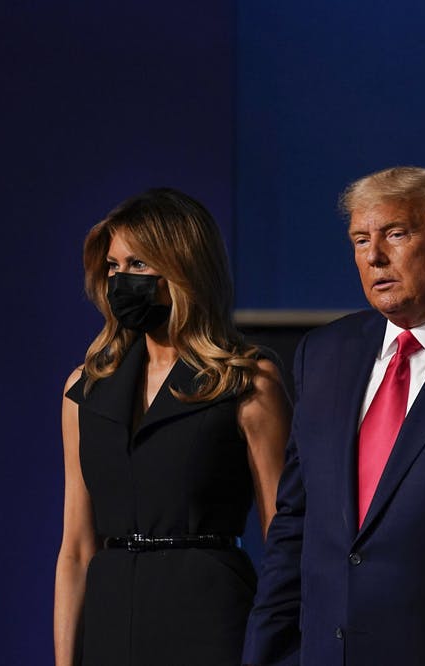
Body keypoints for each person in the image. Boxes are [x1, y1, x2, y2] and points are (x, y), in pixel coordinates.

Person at [243, 166, 425, 665]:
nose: (374, 257)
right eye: (360, 240)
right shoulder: (325, 355)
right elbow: (294, 528)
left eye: (396, 234)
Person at [54, 188, 291, 665]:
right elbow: (77, 549)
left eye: (138, 265)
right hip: (110, 626)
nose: (122, 281)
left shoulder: (246, 381)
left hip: (211, 621)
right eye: (114, 268)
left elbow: (284, 538)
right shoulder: (86, 388)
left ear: (183, 269)